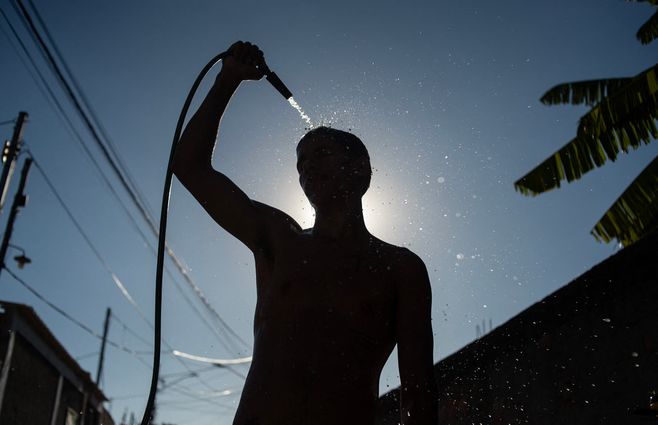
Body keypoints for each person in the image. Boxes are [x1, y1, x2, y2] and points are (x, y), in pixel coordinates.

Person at [173, 41, 437, 425]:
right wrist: (227, 80)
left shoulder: (401, 268)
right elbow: (189, 167)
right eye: (301, 164)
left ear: (360, 169)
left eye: (322, 155)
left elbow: (418, 392)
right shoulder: (280, 240)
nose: (309, 168)